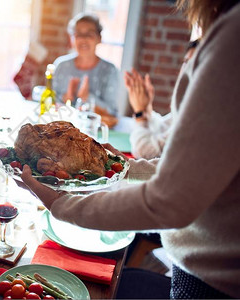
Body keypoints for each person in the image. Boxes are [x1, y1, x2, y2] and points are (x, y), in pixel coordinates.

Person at [21, 0, 240, 298]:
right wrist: (125, 166)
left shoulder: (232, 38)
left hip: (213, 285)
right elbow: (192, 169)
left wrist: (62, 204)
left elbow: (170, 200)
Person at [125, 40, 199, 159]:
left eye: (194, 64)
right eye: (186, 62)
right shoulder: (190, 102)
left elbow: (145, 151)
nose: (186, 69)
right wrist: (147, 110)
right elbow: (164, 129)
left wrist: (140, 114)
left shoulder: (199, 109)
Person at [52, 12, 120, 117]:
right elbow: (49, 104)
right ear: (72, 39)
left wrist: (87, 97)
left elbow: (112, 113)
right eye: (78, 34)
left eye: (89, 34)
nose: (83, 39)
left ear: (99, 38)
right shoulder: (60, 65)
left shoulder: (109, 70)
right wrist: (66, 98)